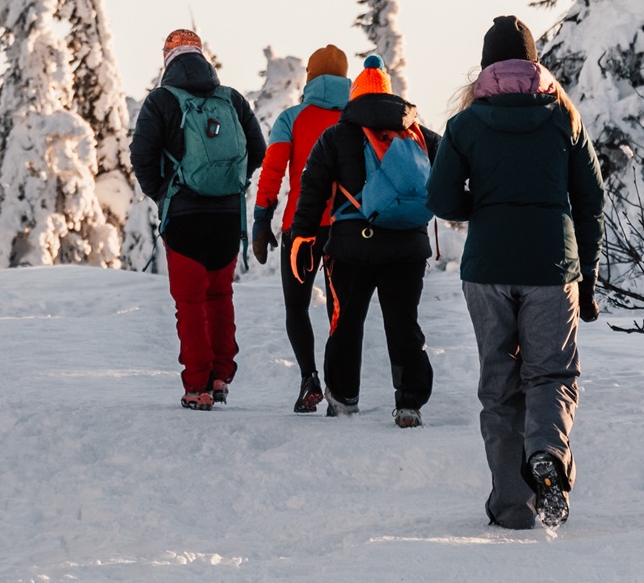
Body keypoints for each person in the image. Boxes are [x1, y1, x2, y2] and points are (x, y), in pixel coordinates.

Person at [428, 16, 606, 530]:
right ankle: (547, 450)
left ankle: (511, 508)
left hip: (487, 268)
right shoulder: (563, 117)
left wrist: (484, 204)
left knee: (500, 385)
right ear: (534, 63)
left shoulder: (465, 124)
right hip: (553, 264)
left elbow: (440, 200)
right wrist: (588, 277)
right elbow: (590, 200)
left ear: (486, 66)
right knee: (551, 374)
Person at [286, 54, 437, 425]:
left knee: (346, 322)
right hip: (407, 245)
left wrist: (303, 236)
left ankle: (343, 397)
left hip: (352, 246)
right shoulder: (419, 133)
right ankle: (409, 402)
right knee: (403, 322)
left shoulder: (337, 136)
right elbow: (450, 175)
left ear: (355, 96)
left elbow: (312, 191)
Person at [131, 28, 266, 411]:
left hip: (185, 215)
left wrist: (164, 192)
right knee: (220, 294)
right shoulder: (232, 99)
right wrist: (231, 183)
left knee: (189, 302)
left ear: (167, 59)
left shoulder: (161, 101)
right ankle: (220, 375)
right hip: (226, 215)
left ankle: (197, 386)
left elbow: (141, 157)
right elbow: (258, 150)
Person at [250, 45, 351, 413]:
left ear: (310, 78)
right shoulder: (358, 119)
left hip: (301, 227)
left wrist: (262, 218)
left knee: (297, 305)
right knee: (339, 310)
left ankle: (310, 379)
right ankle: (339, 389)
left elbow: (273, 171)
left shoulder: (291, 118)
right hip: (346, 228)